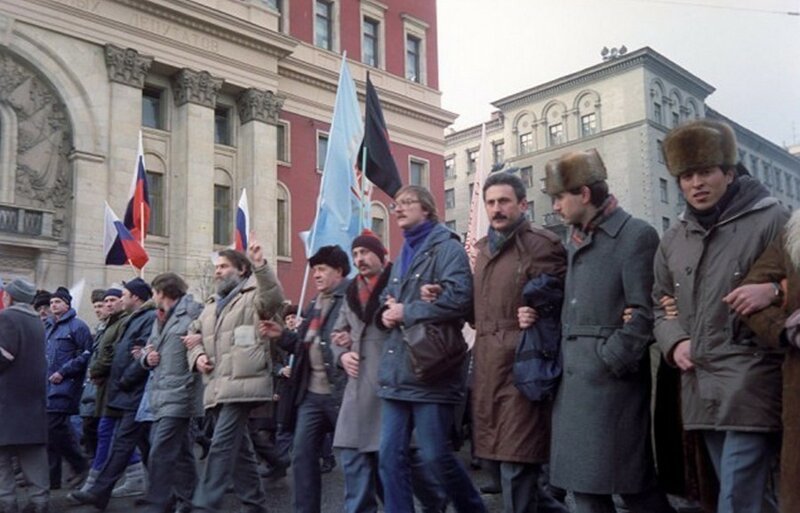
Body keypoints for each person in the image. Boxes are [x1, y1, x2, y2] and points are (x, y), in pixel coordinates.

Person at [653, 119, 788, 513]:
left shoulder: (772, 218)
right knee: (747, 497)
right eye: (687, 175)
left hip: (753, 378)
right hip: (699, 383)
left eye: (706, 171)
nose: (696, 183)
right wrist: (674, 339)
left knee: (736, 499)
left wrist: (776, 289)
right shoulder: (674, 238)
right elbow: (658, 300)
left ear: (728, 173)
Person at [543, 149, 674, 513]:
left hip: (611, 387)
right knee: (585, 491)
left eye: (559, 197)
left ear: (583, 194)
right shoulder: (574, 239)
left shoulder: (636, 236)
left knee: (632, 486)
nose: (555, 207)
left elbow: (647, 310)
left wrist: (610, 357)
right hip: (575, 384)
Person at [376, 185, 485, 513]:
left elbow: (461, 299)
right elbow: (390, 301)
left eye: (407, 203)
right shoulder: (403, 251)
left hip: (432, 370)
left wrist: (406, 311)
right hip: (398, 370)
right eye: (396, 205)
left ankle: (473, 508)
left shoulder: (446, 247)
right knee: (389, 457)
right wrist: (388, 310)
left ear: (427, 209)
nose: (398, 209)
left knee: (436, 455)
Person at [469, 171, 568, 513]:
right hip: (486, 368)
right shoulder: (482, 251)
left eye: (504, 201)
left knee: (516, 465)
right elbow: (477, 309)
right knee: (500, 464)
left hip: (523, 366)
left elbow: (562, 300)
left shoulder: (542, 244)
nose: (496, 209)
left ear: (522, 204)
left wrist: (539, 314)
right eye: (491, 202)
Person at [185, 241, 284, 513]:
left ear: (241, 270)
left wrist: (261, 265)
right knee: (239, 450)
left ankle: (205, 504)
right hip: (217, 383)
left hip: (244, 383)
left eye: (224, 266)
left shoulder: (254, 295)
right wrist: (198, 357)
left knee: (222, 444)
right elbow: (192, 338)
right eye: (216, 267)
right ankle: (254, 504)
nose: (218, 272)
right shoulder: (210, 305)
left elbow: (274, 297)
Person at [260, 244, 350, 513]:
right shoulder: (315, 302)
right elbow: (305, 344)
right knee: (301, 457)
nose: (316, 275)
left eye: (322, 269)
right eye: (314, 271)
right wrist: (283, 336)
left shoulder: (351, 299)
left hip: (342, 393)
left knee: (361, 460)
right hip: (312, 395)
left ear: (340, 271)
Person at [67, 278, 157, 508]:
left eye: (123, 295)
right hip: (125, 391)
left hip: (134, 391)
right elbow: (125, 352)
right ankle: (162, 491)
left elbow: (139, 355)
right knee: (140, 445)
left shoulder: (146, 318)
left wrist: (125, 380)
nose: (119, 299)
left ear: (135, 297)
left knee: (126, 444)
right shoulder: (136, 318)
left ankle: (101, 490)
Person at [329, 231, 393, 512]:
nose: (359, 259)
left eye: (365, 252)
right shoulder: (351, 291)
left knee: (399, 471)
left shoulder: (397, 284)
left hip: (389, 384)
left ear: (381, 255)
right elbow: (337, 333)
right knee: (352, 458)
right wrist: (342, 355)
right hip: (356, 390)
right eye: (355, 254)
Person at [138, 272, 204, 513]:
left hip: (182, 391)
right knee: (183, 452)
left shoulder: (195, 312)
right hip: (161, 393)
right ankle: (190, 501)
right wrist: (147, 357)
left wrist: (200, 340)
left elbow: (209, 340)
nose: (153, 297)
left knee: (160, 449)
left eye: (154, 292)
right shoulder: (160, 318)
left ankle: (157, 503)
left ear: (162, 292)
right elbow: (149, 347)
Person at [0, 279, 49, 513]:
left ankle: (6, 502)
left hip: (7, 398)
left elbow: (5, 355)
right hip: (32, 398)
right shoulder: (36, 320)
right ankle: (40, 501)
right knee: (33, 454)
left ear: (10, 297)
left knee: (1, 457)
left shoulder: (7, 317)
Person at [45, 287, 92, 490]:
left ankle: (80, 464)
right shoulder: (48, 327)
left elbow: (86, 354)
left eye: (58, 302)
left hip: (65, 386)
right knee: (51, 433)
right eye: (52, 302)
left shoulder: (77, 326)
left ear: (67, 304)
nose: (53, 305)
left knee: (54, 427)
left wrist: (64, 372)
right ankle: (52, 478)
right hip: (47, 386)